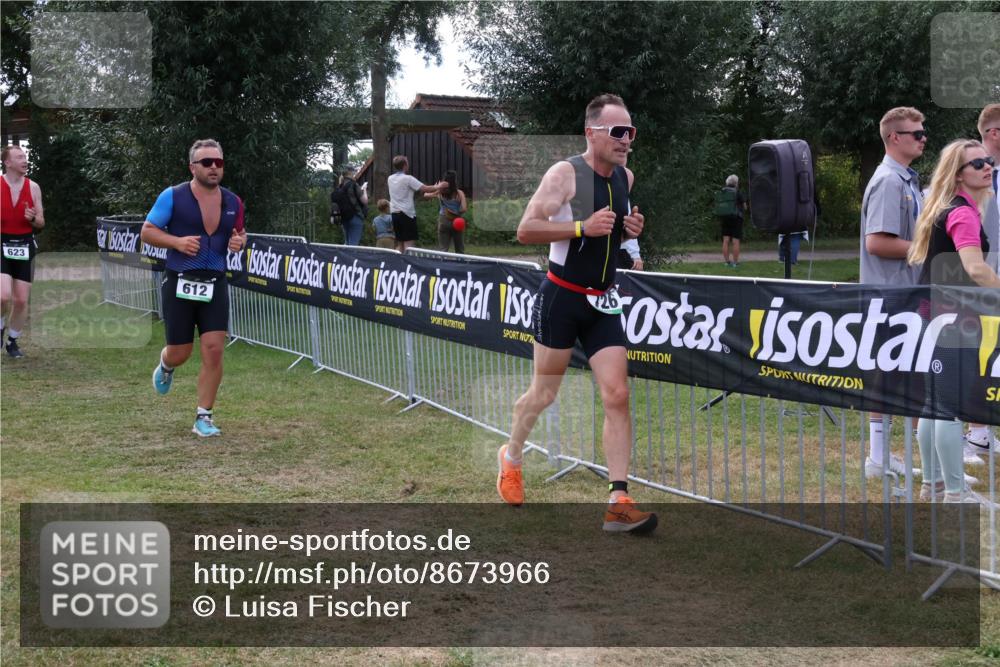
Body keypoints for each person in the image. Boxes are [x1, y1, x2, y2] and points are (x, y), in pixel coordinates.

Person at [495, 93, 656, 534]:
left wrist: (630, 236)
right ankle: (511, 457)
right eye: (618, 132)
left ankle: (618, 500)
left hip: (603, 301)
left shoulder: (626, 176)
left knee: (617, 394)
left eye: (631, 132)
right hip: (562, 297)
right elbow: (526, 229)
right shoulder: (566, 174)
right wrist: (582, 227)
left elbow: (616, 232)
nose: (626, 140)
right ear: (592, 133)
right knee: (543, 394)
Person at [907, 139, 999, 505]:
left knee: (933, 404)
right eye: (978, 164)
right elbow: (975, 268)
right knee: (949, 406)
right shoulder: (962, 213)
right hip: (951, 319)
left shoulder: (948, 207)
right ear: (958, 175)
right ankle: (955, 493)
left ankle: (934, 485)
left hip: (933, 315)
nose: (988, 167)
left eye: (989, 160)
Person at [140, 139, 247, 437]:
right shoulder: (173, 196)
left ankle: (204, 417)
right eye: (207, 162)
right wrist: (176, 242)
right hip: (180, 281)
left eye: (219, 162)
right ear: (192, 167)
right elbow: (147, 232)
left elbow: (240, 234)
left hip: (215, 282)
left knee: (214, 350)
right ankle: (166, 364)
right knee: (181, 352)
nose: (214, 167)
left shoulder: (233, 201)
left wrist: (240, 242)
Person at [859, 107, 927, 479]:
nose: (923, 138)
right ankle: (878, 457)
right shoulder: (888, 180)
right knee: (886, 374)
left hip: (904, 292)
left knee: (912, 374)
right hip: (889, 294)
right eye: (916, 133)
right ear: (894, 138)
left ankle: (923, 457)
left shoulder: (906, 179)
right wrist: (928, 248)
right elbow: (877, 243)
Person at [963, 104, 1000, 459]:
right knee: (977, 353)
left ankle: (984, 429)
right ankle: (974, 432)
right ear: (993, 133)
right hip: (976, 278)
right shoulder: (968, 174)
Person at [1, 145, 44, 358]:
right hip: (1, 242)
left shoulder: (33, 187)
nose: (25, 160)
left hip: (25, 245)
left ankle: (12, 341)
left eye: (25, 156)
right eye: (19, 157)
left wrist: (33, 218)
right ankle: (1, 325)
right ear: (7, 163)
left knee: (20, 301)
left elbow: (41, 222)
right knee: (3, 296)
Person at [387, 155, 445, 252]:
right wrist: (439, 186)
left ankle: (398, 265)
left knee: (400, 244)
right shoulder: (408, 178)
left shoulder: (390, 178)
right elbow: (425, 188)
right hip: (407, 214)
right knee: (409, 245)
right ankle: (408, 266)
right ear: (405, 165)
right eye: (407, 162)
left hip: (394, 214)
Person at [430, 169, 467, 253]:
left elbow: (426, 195)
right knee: (459, 248)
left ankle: (442, 265)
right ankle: (460, 265)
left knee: (443, 248)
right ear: (455, 181)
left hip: (443, 220)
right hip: (457, 221)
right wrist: (457, 212)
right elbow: (464, 208)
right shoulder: (459, 193)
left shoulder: (440, 192)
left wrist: (436, 187)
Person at [716, 174, 746, 267]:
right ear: (736, 183)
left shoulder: (722, 192)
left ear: (727, 183)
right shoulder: (737, 192)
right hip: (736, 218)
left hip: (724, 218)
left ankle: (726, 262)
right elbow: (745, 207)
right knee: (735, 241)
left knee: (725, 240)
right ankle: (735, 263)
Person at [334, 167, 368, 246]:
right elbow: (365, 201)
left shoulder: (340, 186)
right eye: (354, 172)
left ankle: (343, 258)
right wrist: (365, 190)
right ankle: (349, 258)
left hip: (343, 217)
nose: (355, 174)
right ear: (350, 173)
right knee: (353, 244)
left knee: (347, 242)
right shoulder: (353, 185)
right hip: (355, 216)